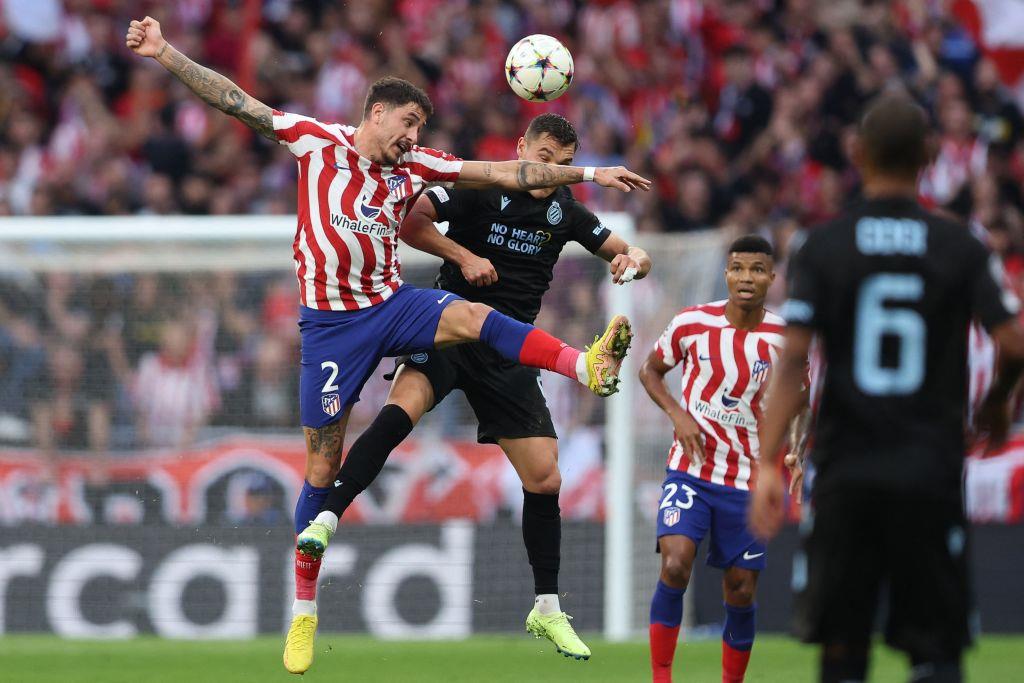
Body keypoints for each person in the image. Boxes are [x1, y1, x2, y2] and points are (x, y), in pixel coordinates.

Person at [125, 16, 650, 675]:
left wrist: (594, 173)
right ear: (375, 113)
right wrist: (164, 52)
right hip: (330, 328)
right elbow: (235, 101)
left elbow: (501, 170)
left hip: (391, 303)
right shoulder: (314, 141)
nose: (414, 138)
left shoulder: (419, 166)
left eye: (420, 128)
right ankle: (304, 611)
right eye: (407, 123)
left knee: (472, 316)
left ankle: (583, 364)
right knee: (322, 466)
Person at [295, 113, 651, 661]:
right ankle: (327, 518)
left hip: (510, 352)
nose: (549, 169)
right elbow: (411, 222)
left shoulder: (568, 212)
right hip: (448, 328)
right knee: (399, 412)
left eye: (561, 162)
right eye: (543, 156)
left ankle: (547, 608)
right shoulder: (481, 188)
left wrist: (632, 260)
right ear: (521, 147)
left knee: (545, 477)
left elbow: (633, 252)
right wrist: (462, 256)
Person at [751, 92, 1024, 683]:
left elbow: (793, 362)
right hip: (930, 469)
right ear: (928, 156)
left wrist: (768, 463)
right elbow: (1014, 343)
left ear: (857, 153)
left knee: (843, 647)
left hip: (847, 471)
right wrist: (996, 405)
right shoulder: (961, 246)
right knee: (936, 649)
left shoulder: (822, 246)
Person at [639, 234, 805, 683]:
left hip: (749, 480)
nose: (746, 278)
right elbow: (650, 370)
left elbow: (800, 401)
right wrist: (678, 415)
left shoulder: (784, 338)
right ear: (726, 273)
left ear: (772, 277)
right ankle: (661, 678)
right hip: (691, 471)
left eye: (757, 270)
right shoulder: (692, 322)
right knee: (675, 563)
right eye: (737, 268)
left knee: (741, 589)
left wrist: (798, 449)